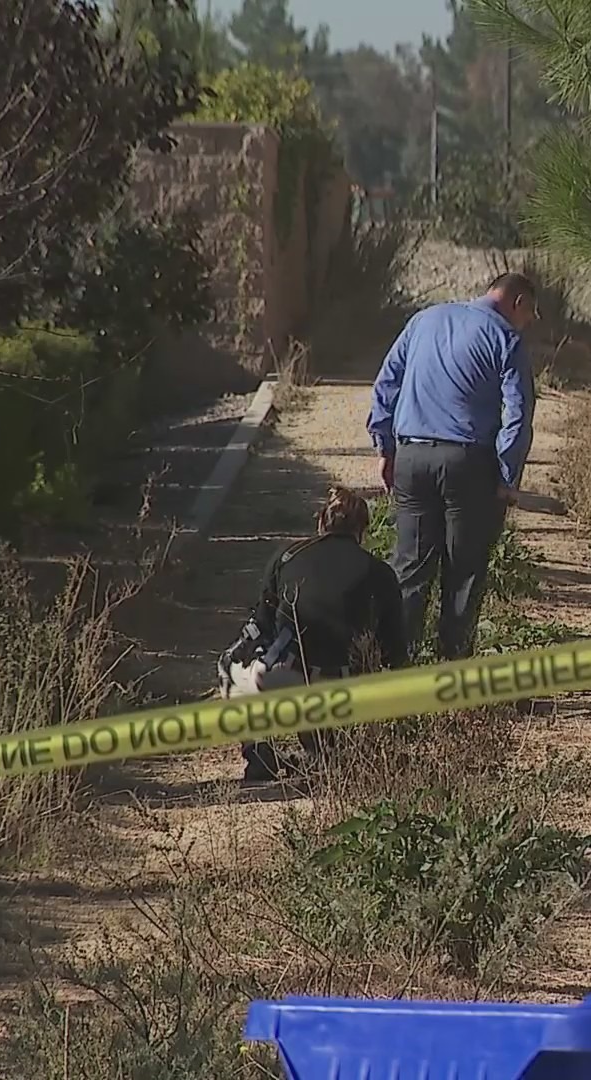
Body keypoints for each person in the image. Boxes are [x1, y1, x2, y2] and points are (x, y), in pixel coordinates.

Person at [366, 272, 538, 660]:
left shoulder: (424, 319)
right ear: (517, 302)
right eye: (531, 313)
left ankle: (392, 667)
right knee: (463, 570)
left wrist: (386, 447)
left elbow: (387, 383)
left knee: (409, 566)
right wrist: (509, 476)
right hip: (467, 464)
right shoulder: (505, 338)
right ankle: (451, 671)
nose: (528, 323)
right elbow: (518, 413)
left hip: (412, 457)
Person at [222, 485, 405, 782]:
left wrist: (246, 657)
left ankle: (259, 754)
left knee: (232, 666)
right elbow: (394, 650)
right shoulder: (380, 573)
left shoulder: (287, 556)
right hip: (347, 682)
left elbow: (261, 626)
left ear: (321, 522)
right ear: (362, 530)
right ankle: (325, 752)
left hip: (291, 673)